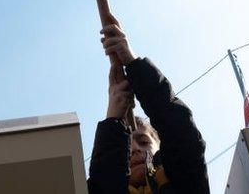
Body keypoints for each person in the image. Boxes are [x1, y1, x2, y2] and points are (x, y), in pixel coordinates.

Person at [87, 24, 210, 193]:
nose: (135, 150)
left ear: (161, 147)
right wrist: (113, 118)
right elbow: (103, 183)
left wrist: (133, 63)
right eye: (126, 151)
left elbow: (180, 131)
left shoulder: (185, 182)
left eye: (143, 142)